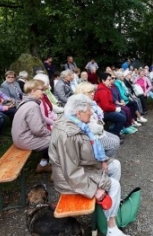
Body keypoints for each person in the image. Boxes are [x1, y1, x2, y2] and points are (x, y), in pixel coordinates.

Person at [48, 94, 129, 236]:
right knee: (114, 184)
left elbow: (84, 153)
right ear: (78, 113)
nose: (91, 112)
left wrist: (102, 160)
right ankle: (111, 227)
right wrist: (93, 189)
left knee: (115, 164)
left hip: (80, 167)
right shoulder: (67, 134)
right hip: (69, 180)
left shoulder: (75, 123)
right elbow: (71, 172)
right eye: (88, 110)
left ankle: (110, 206)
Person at [12, 79, 52, 173]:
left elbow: (41, 121)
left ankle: (43, 164)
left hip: (20, 138)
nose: (43, 92)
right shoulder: (32, 106)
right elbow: (38, 130)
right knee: (58, 141)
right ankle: (58, 172)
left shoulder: (26, 102)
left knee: (55, 138)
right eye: (41, 89)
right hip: (25, 140)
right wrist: (50, 133)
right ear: (33, 91)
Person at [75, 82, 121, 152]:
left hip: (99, 129)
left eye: (93, 91)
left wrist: (100, 123)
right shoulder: (82, 107)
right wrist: (101, 125)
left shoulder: (91, 103)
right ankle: (103, 160)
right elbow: (91, 127)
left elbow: (99, 114)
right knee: (114, 144)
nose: (93, 94)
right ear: (82, 93)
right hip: (92, 136)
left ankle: (105, 158)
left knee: (117, 139)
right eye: (89, 92)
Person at [94, 73, 126, 139]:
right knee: (122, 118)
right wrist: (115, 109)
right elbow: (105, 106)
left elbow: (109, 103)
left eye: (111, 79)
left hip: (106, 111)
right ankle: (114, 135)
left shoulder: (106, 88)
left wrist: (116, 107)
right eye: (109, 80)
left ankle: (117, 131)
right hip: (103, 113)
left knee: (122, 112)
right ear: (103, 81)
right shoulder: (102, 91)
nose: (110, 81)